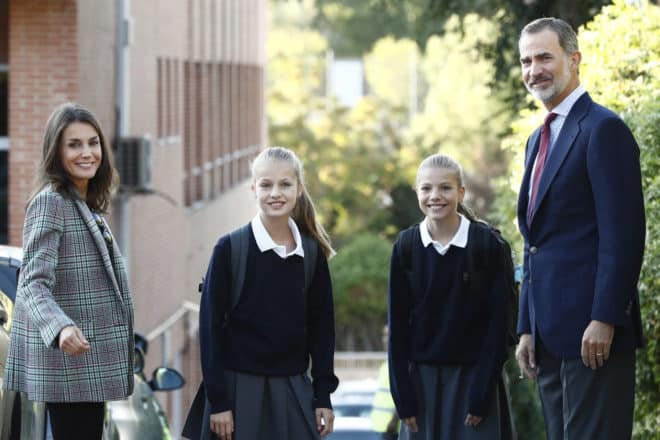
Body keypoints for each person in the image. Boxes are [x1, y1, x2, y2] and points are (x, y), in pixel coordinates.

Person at [514, 18, 646, 440]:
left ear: (574, 60)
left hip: (593, 334)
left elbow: (623, 235)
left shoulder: (604, 130)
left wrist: (605, 317)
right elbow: (534, 242)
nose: (534, 69)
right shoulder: (538, 140)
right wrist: (526, 325)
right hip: (548, 337)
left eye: (544, 57)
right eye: (526, 60)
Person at [1, 102, 135, 440]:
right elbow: (31, 283)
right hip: (69, 365)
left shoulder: (85, 205)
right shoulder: (52, 202)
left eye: (93, 143)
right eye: (74, 145)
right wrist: (60, 328)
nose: (87, 152)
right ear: (56, 152)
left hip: (86, 365)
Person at [198, 146, 338, 439]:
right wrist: (219, 402)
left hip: (294, 390)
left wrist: (323, 395)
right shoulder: (229, 249)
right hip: (238, 394)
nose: (276, 193)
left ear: (299, 189)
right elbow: (210, 329)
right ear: (253, 189)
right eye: (266, 184)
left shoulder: (312, 254)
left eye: (285, 184)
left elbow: (323, 330)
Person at [388, 154, 513, 440]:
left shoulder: (488, 245)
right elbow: (397, 329)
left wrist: (482, 392)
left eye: (445, 188)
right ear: (417, 192)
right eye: (426, 188)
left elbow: (499, 326)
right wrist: (402, 396)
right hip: (421, 388)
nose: (435, 196)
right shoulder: (406, 247)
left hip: (475, 384)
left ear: (461, 192)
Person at [371, 325, 399, 440]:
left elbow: (402, 393)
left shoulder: (397, 364)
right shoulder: (386, 364)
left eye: (388, 335)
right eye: (384, 335)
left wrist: (394, 420)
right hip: (381, 427)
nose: (385, 339)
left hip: (393, 427)